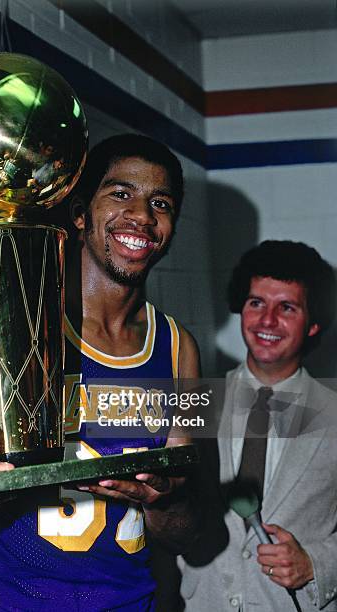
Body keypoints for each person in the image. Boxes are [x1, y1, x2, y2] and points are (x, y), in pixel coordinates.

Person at [0, 134, 202, 611]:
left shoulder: (180, 350)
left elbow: (186, 533)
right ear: (79, 214)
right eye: (120, 194)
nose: (141, 214)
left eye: (160, 203)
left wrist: (164, 498)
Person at [179, 240, 337, 612]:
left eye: (287, 307)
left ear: (314, 323)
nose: (267, 321)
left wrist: (317, 563)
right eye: (256, 303)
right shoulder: (195, 400)